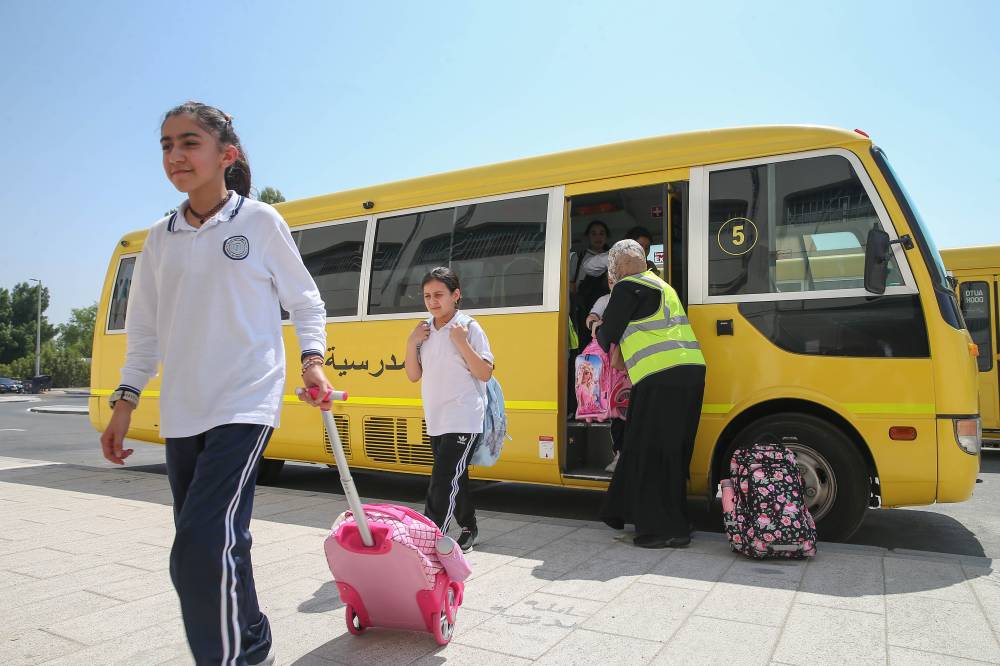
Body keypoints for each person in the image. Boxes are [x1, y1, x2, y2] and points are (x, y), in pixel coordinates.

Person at [99, 101, 333, 666]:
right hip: (183, 410)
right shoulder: (160, 238)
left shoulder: (260, 222)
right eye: (166, 145)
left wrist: (312, 361)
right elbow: (145, 331)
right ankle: (253, 641)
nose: (175, 155)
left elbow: (305, 301)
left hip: (246, 402)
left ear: (226, 155)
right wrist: (125, 400)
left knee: (198, 550)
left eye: (189, 142)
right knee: (222, 541)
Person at [595, 239, 706, 548]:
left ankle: (662, 530)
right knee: (671, 452)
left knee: (650, 450)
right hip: (691, 372)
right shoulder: (663, 286)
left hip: (659, 377)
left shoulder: (627, 287)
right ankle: (673, 521)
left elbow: (608, 335)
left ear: (616, 268)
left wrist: (596, 326)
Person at [405, 267, 494, 553]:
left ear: (456, 295)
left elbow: (484, 372)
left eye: (439, 295)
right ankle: (469, 527)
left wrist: (461, 342)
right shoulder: (424, 330)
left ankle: (430, 540)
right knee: (456, 475)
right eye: (427, 296)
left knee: (443, 478)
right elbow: (413, 375)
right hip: (436, 418)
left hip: (464, 417)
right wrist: (411, 342)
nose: (432, 301)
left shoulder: (468, 327)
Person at [569, 220, 611, 346]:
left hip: (609, 306)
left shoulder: (613, 257)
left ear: (606, 236)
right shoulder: (578, 258)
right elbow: (571, 285)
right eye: (594, 234)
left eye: (601, 233)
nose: (598, 237)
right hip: (584, 308)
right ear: (588, 237)